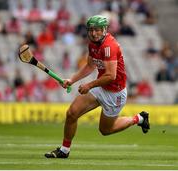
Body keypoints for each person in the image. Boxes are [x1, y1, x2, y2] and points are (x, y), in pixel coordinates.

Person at [45, 15, 150, 159]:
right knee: (72, 113)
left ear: (105, 29)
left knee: (105, 130)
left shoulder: (109, 46)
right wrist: (72, 80)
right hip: (101, 88)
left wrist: (89, 85)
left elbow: (110, 76)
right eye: (92, 30)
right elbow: (90, 65)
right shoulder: (93, 43)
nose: (94, 33)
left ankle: (139, 119)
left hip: (115, 93)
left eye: (98, 30)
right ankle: (64, 150)